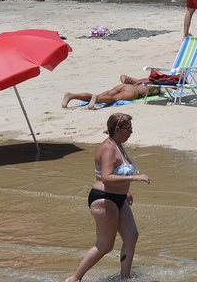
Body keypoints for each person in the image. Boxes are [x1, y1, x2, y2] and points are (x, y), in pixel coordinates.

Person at [65, 113, 151, 282]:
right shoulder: (108, 148)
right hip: (104, 200)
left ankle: (125, 278)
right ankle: (74, 279)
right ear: (117, 129)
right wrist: (134, 178)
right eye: (129, 129)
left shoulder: (118, 145)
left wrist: (125, 190)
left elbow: (118, 171)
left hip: (118, 198)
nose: (131, 133)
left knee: (131, 236)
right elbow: (106, 177)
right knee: (105, 245)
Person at [61, 75, 164, 109]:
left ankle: (72, 95)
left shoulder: (141, 80)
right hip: (134, 91)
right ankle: (97, 99)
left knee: (97, 95)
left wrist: (125, 81)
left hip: (123, 86)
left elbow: (123, 76)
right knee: (114, 99)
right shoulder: (156, 87)